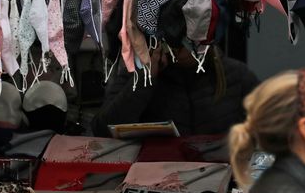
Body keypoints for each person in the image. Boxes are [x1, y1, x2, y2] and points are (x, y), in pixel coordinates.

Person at [91, 45, 259, 137]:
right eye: (176, 31)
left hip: (224, 179)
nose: (183, 42)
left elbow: (273, 132)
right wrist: (146, 78)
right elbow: (102, 130)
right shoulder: (138, 73)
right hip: (157, 182)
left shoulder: (236, 75)